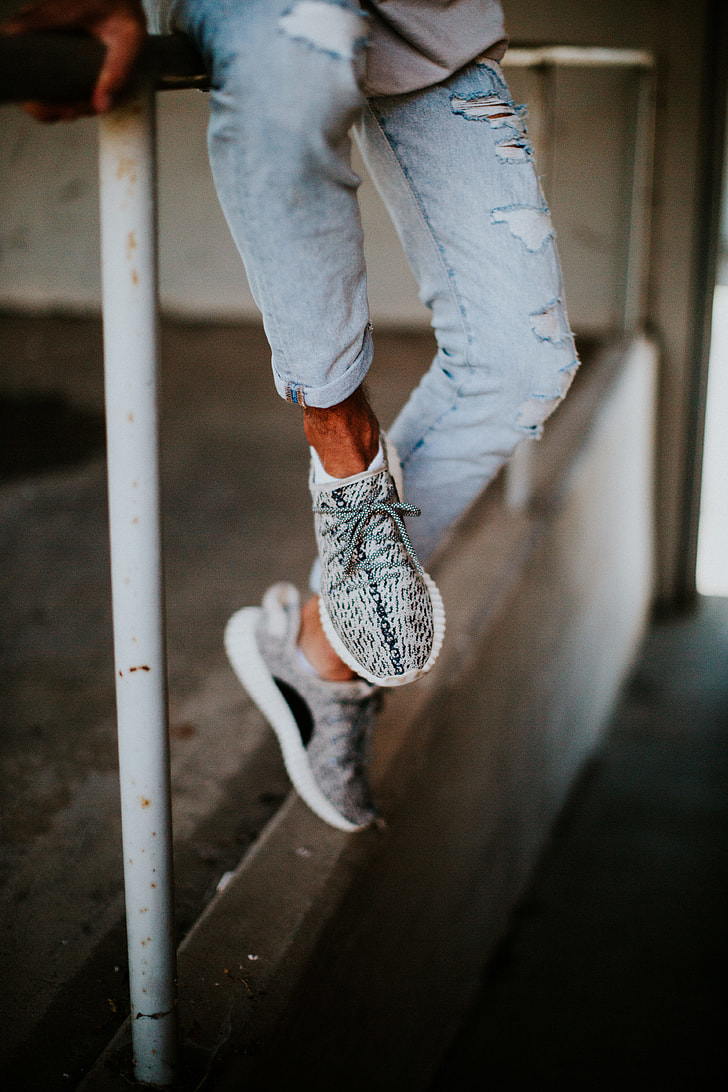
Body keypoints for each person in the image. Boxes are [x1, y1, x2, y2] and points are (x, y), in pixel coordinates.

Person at [3, 0, 579, 832]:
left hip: (431, 16)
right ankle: (346, 458)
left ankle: (316, 645)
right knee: (302, 47)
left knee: (525, 363)